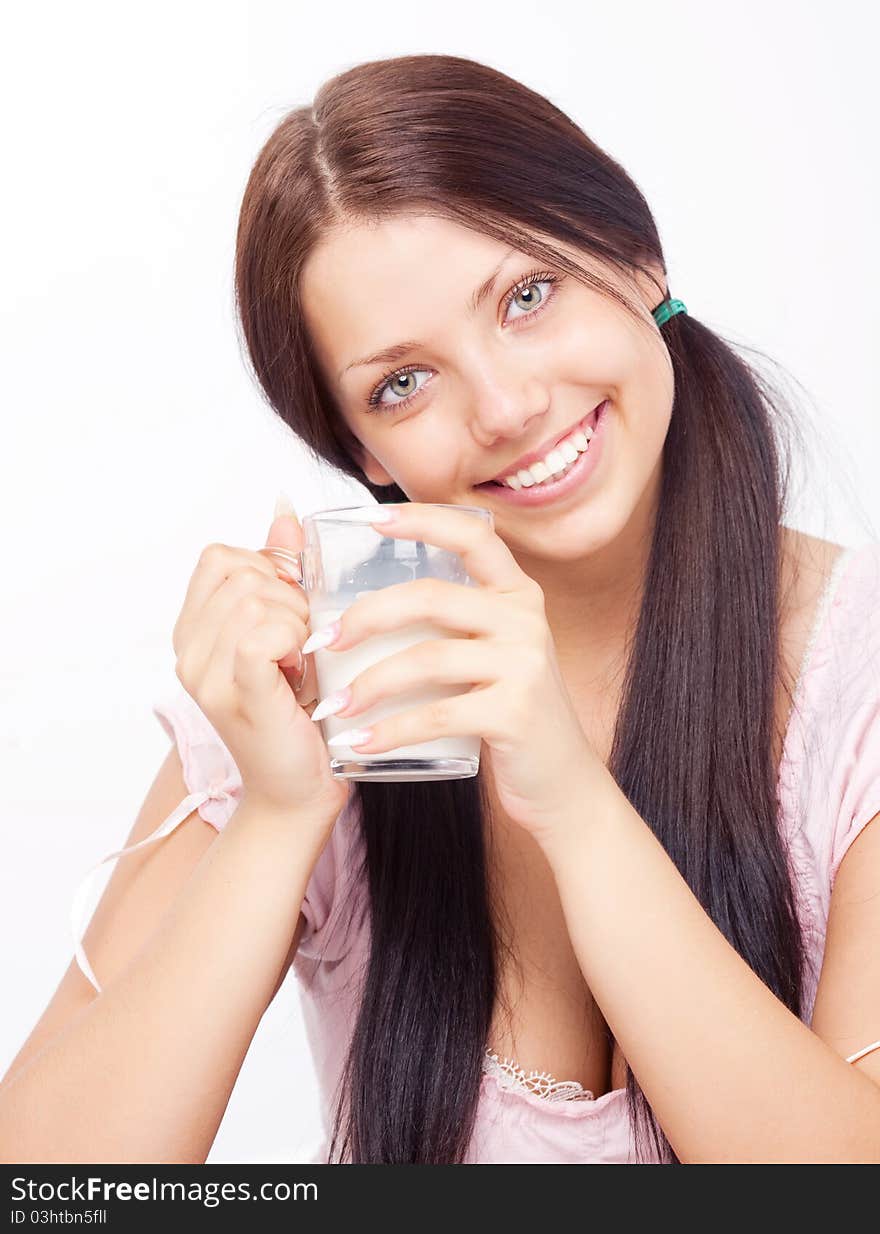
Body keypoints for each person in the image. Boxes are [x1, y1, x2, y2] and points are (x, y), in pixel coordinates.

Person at [3, 52, 880, 1166]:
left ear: (634, 250)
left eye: (526, 295)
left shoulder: (855, 676)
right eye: (401, 384)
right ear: (359, 449)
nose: (508, 407)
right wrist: (278, 815)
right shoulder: (324, 679)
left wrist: (570, 801)